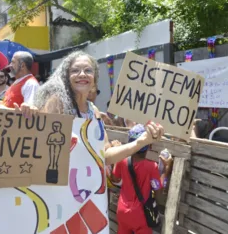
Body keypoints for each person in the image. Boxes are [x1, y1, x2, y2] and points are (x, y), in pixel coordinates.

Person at [33, 50, 164, 166]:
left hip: (88, 187)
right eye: (75, 70)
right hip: (60, 187)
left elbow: (105, 155)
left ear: (94, 80)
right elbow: (39, 141)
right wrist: (29, 114)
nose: (82, 74)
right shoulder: (57, 103)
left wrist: (141, 141)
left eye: (88, 70)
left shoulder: (93, 110)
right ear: (66, 77)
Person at [110, 124, 173, 234]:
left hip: (122, 211)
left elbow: (115, 179)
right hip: (140, 216)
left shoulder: (121, 160)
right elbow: (159, 195)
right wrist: (166, 170)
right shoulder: (151, 167)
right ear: (150, 145)